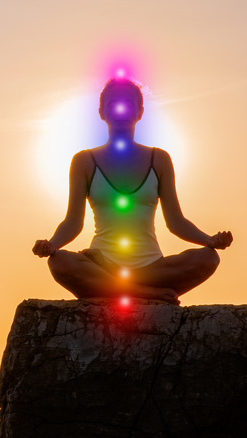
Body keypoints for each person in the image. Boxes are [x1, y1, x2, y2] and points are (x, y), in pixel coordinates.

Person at [32, 78, 233, 304]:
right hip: (101, 265)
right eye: (113, 103)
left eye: (129, 103)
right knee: (59, 262)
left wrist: (210, 240)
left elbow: (176, 222)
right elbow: (73, 222)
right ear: (101, 112)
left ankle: (119, 289)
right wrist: (52, 244)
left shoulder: (160, 159)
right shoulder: (84, 161)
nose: (121, 109)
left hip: (151, 269)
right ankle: (145, 293)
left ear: (140, 112)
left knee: (208, 259)